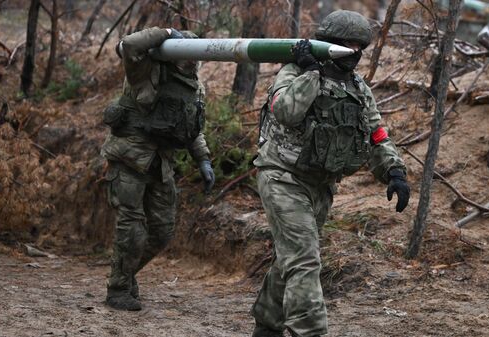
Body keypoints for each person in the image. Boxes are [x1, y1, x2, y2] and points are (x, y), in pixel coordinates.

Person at [251, 10, 411, 337]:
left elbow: (375, 132)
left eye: (358, 47)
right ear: (329, 44)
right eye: (345, 45)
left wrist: (394, 170)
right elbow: (285, 111)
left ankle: (268, 326)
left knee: (292, 260)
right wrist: (310, 74)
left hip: (321, 186)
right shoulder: (295, 71)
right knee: (305, 260)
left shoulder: (356, 86)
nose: (352, 52)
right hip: (282, 176)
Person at [100, 27, 215, 311]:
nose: (192, 61)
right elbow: (129, 44)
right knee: (133, 228)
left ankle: (125, 275)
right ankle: (118, 289)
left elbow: (193, 128)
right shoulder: (145, 72)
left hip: (160, 165)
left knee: (162, 232)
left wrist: (203, 159)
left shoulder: (194, 86)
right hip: (129, 159)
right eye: (187, 55)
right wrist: (166, 32)